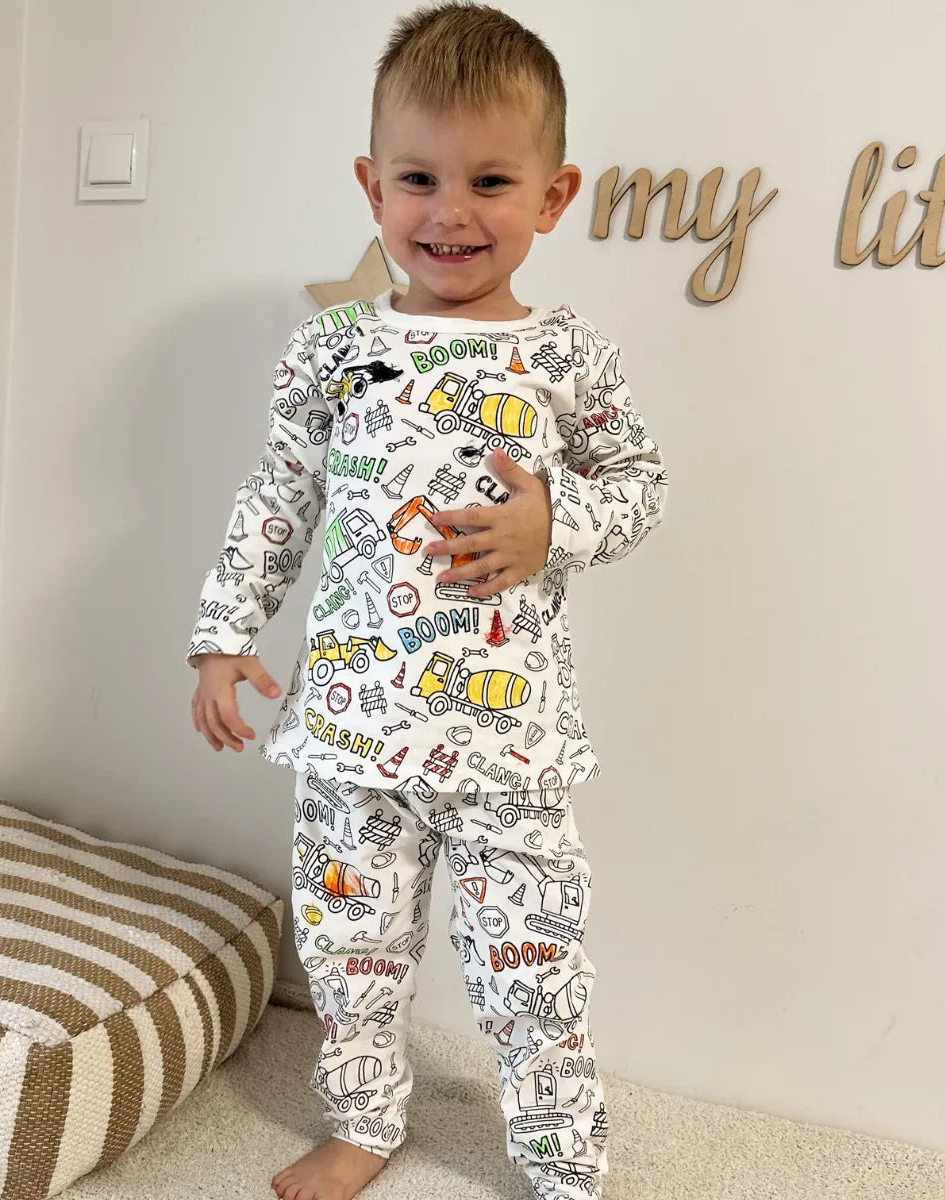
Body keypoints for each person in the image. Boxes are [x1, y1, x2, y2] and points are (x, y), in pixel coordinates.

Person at [187, 4, 668, 1197]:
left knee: (533, 967)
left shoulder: (566, 357)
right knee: (351, 952)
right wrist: (224, 636)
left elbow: (640, 486)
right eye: (419, 179)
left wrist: (553, 525)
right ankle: (363, 1122)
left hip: (511, 740)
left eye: (490, 181)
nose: (451, 212)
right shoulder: (334, 350)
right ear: (373, 185)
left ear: (553, 196)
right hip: (352, 730)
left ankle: (562, 1161)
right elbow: (279, 498)